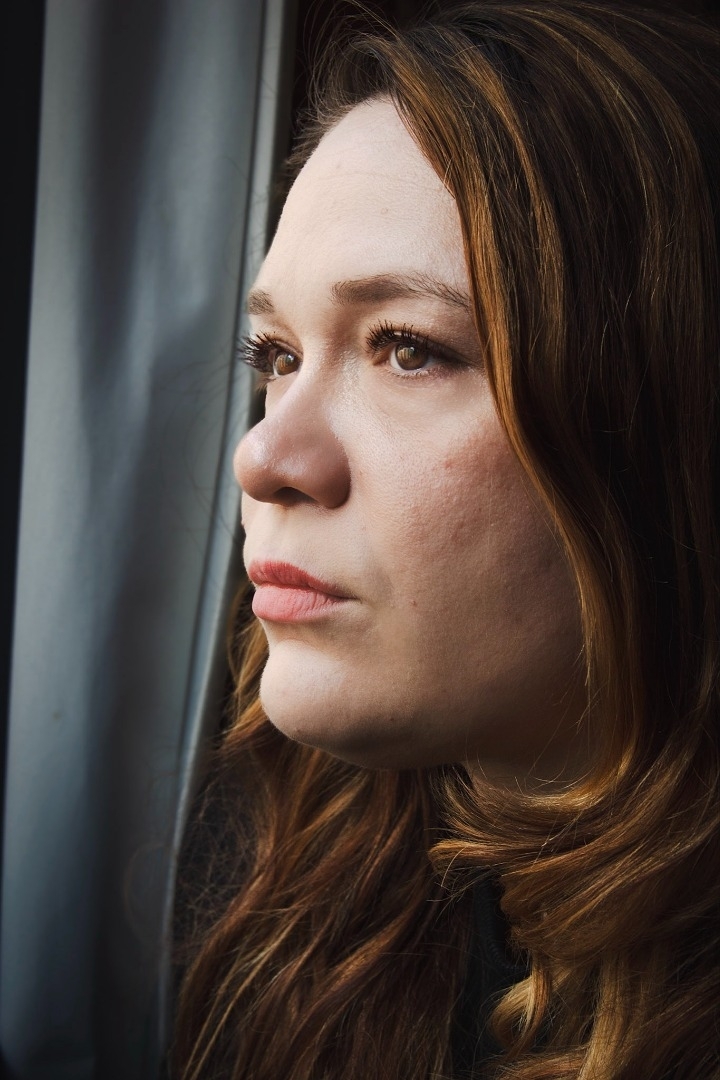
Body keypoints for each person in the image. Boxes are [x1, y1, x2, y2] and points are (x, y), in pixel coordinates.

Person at [171, 3, 720, 1077]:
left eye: (408, 348)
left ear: (671, 424)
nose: (264, 458)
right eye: (275, 355)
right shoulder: (314, 912)